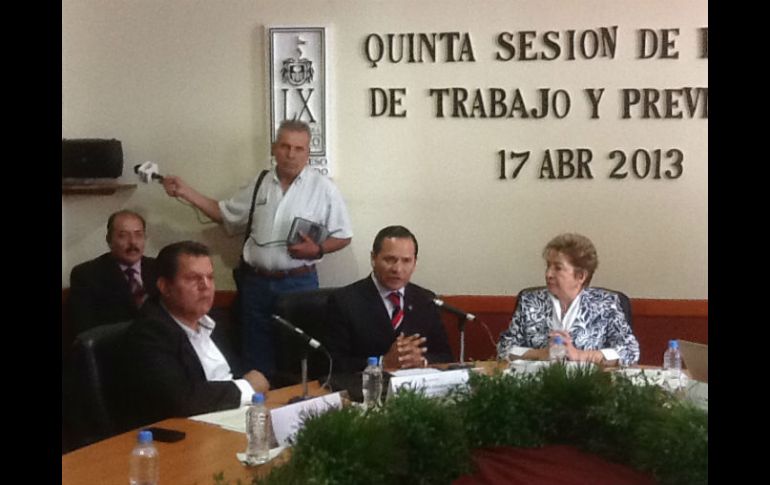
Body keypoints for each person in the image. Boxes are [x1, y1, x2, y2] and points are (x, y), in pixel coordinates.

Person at [161, 120, 353, 379]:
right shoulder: (260, 183)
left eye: (299, 148)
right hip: (256, 285)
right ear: (274, 148)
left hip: (299, 285)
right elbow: (225, 214)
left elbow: (343, 236)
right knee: (255, 359)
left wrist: (317, 249)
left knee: (297, 358)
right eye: (285, 146)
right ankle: (258, 402)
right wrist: (185, 191)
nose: (291, 154)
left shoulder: (323, 188)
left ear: (308, 153)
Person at [121, 241, 270, 428]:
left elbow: (238, 372)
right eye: (193, 278)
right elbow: (180, 399)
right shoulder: (149, 333)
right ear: (165, 287)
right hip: (189, 431)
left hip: (234, 417)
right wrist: (247, 387)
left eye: (210, 277)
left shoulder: (215, 321)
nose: (205, 286)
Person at [497, 233, 640, 366]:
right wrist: (541, 354)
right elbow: (504, 348)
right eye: (548, 266)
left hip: (587, 382)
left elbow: (630, 351)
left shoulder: (606, 304)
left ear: (581, 276)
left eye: (558, 268)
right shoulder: (530, 301)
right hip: (536, 381)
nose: (548, 274)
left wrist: (580, 355)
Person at [326, 225, 454, 373]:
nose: (397, 269)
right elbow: (331, 364)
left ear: (415, 263)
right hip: (366, 386)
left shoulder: (426, 299)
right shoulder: (344, 301)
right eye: (390, 259)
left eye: (406, 261)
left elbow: (445, 356)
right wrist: (382, 363)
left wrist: (421, 361)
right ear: (373, 258)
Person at [69, 210, 159, 335]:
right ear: (109, 240)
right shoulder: (86, 274)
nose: (133, 242)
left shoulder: (158, 267)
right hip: (118, 344)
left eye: (138, 235)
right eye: (123, 235)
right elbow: (87, 330)